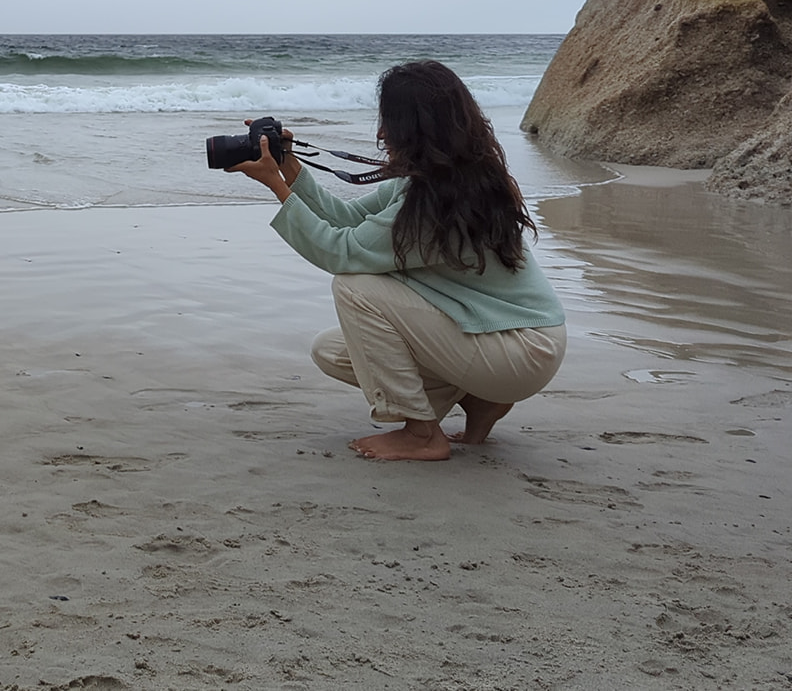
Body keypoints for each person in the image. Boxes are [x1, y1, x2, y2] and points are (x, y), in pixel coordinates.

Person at [226, 60, 567, 461]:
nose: (381, 133)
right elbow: (349, 220)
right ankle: (480, 401)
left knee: (355, 288)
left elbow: (342, 252)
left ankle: (422, 434)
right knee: (333, 351)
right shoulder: (444, 178)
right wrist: (289, 168)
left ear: (419, 126)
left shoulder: (439, 200)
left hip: (520, 349)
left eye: (392, 121)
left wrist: (274, 187)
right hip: (504, 337)